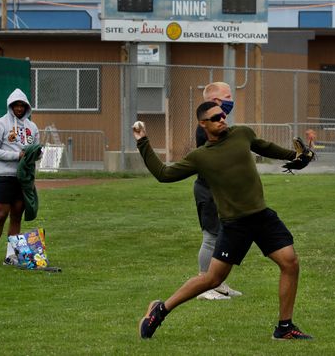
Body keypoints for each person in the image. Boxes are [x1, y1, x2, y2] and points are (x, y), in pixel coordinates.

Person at [134, 101, 313, 341]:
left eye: (222, 115)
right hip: (234, 224)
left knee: (290, 262)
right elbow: (164, 174)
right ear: (203, 124)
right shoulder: (200, 157)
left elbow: (265, 147)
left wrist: (296, 156)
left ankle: (285, 327)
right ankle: (160, 310)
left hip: (261, 216)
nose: (222, 119)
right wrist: (142, 141)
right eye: (215, 117)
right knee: (212, 279)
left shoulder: (242, 133)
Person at [193, 82, 242, 300]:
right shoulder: (206, 128)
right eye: (228, 96)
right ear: (215, 102)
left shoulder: (219, 125)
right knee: (211, 237)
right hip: (209, 190)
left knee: (224, 235)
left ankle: (218, 282)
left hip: (222, 191)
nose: (232, 99)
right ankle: (205, 284)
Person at [0, 88, 40, 267]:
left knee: (17, 215)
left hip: (23, 178)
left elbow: (37, 152)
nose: (19, 108)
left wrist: (35, 154)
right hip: (4, 175)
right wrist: (16, 156)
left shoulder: (32, 127)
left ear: (26, 107)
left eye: (22, 105)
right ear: (10, 106)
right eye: (16, 105)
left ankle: (11, 256)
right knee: (1, 214)